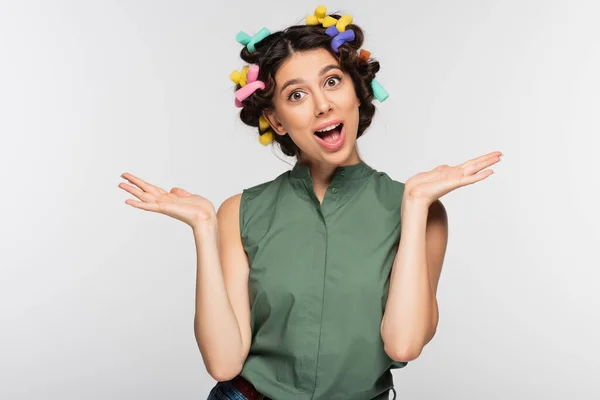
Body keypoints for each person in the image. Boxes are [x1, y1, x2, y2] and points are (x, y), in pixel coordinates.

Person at [118, 5, 502, 400]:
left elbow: (404, 345)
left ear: (357, 92)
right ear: (277, 120)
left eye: (332, 81)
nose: (322, 105)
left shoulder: (422, 211)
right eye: (297, 94)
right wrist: (203, 226)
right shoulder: (239, 212)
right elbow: (224, 363)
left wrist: (417, 202)